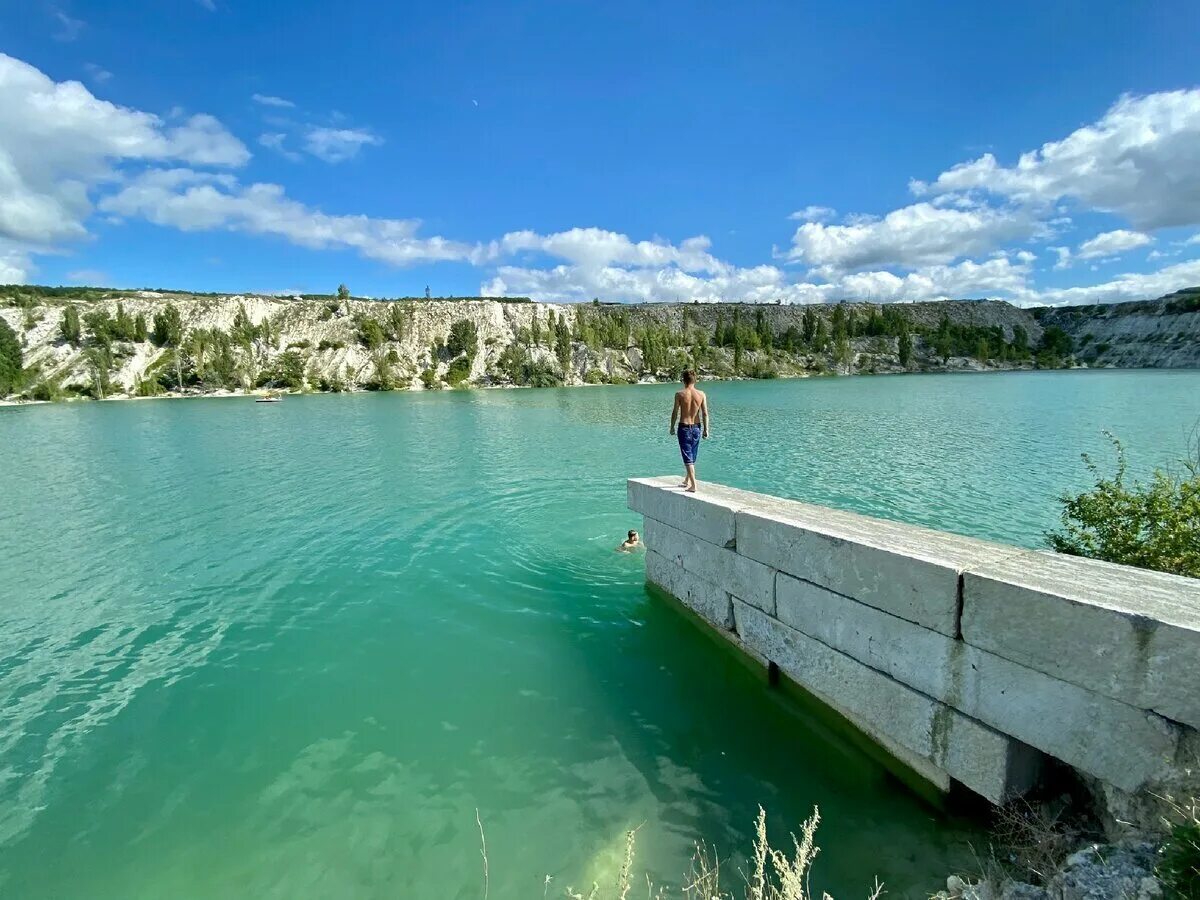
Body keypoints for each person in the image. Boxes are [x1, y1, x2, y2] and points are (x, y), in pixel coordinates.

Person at [669, 370, 709, 493]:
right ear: (695, 380)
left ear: (683, 380)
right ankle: (687, 480)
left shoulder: (679, 394)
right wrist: (706, 429)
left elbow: (675, 412)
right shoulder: (701, 394)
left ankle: (693, 485)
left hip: (684, 427)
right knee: (692, 454)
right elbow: (705, 413)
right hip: (697, 427)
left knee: (687, 456)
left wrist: (671, 427)